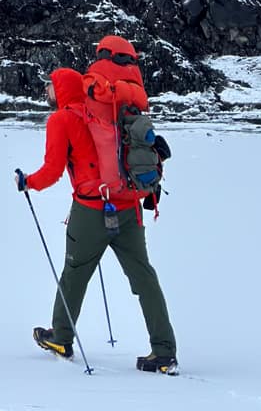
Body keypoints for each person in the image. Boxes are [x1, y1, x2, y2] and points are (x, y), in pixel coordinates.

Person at [16, 53, 178, 375]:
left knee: (75, 273)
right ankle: (164, 353)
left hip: (91, 211)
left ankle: (61, 337)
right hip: (128, 205)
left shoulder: (62, 119)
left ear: (60, 88)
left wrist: (27, 183)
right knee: (143, 277)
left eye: (48, 86)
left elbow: (52, 171)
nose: (45, 92)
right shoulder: (108, 116)